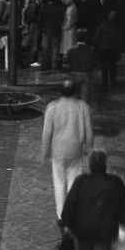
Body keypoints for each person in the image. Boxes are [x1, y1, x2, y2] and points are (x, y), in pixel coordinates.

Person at [40, 78, 94, 222]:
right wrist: (89, 149)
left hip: (58, 151)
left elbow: (47, 133)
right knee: (74, 182)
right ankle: (73, 212)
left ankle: (61, 215)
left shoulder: (52, 107)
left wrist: (45, 152)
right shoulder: (82, 106)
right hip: (76, 150)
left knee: (59, 183)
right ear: (75, 91)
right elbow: (89, 130)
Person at [93, 10, 123, 90]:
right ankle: (113, 81)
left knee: (104, 67)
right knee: (112, 65)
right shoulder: (117, 26)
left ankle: (104, 83)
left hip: (104, 48)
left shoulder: (102, 26)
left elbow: (97, 37)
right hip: (113, 48)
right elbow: (119, 39)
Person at [67, 29, 96, 103]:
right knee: (85, 98)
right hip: (86, 74)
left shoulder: (71, 49)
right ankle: (83, 112)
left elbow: (66, 61)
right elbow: (94, 63)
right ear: (85, 38)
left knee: (75, 96)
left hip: (74, 74)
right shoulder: (90, 50)